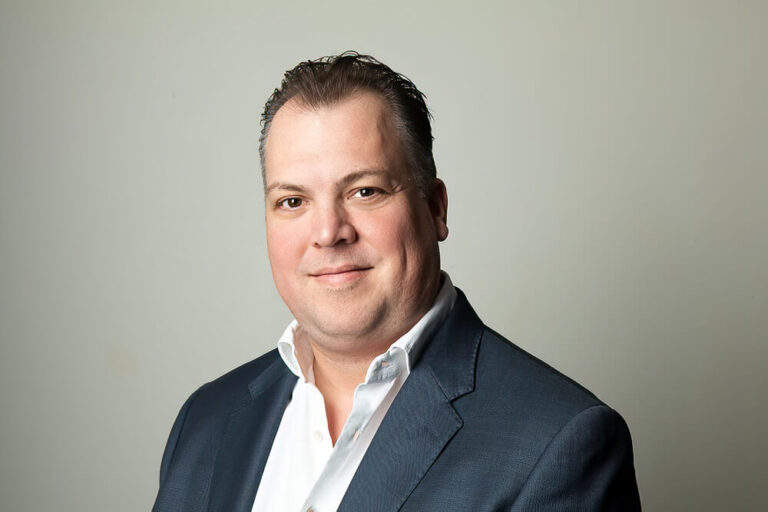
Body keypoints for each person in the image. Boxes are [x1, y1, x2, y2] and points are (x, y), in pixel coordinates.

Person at [152, 52, 641, 512]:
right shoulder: (206, 419)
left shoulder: (557, 444)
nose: (328, 233)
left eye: (365, 191)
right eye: (293, 201)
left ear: (435, 209)